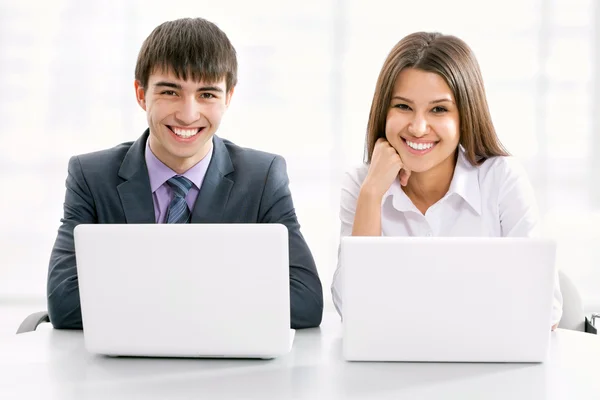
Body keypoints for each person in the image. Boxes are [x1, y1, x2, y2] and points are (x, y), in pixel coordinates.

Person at [47, 17, 323, 330]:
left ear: (228, 98)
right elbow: (65, 303)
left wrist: (135, 296)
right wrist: (224, 297)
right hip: (123, 365)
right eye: (170, 92)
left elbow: (305, 303)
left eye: (207, 95)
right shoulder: (92, 177)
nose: (188, 114)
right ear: (141, 94)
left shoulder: (262, 178)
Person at [331, 32, 562, 330]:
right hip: (391, 367)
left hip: (487, 365)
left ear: (465, 116)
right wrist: (372, 194)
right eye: (403, 106)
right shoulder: (363, 183)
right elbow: (352, 309)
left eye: (438, 109)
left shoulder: (502, 178)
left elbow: (545, 309)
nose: (417, 127)